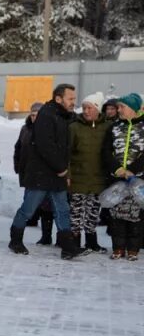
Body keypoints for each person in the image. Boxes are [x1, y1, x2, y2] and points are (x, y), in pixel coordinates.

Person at [8, 84, 88, 259]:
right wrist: (61, 168)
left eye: (74, 98)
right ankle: (15, 240)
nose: (73, 102)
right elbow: (45, 145)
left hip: (57, 174)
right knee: (28, 209)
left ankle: (68, 247)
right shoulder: (46, 115)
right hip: (40, 174)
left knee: (62, 210)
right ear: (58, 99)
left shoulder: (66, 116)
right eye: (70, 98)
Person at [68, 92, 112, 252]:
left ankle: (91, 242)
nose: (85, 111)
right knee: (76, 213)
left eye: (89, 108)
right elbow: (67, 153)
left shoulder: (107, 127)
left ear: (98, 109)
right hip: (78, 178)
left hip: (98, 179)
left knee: (93, 212)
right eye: (84, 107)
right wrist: (68, 175)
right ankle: (74, 242)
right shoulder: (74, 127)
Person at [103, 93, 144, 260]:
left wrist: (132, 170)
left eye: (122, 107)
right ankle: (118, 248)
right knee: (117, 214)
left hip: (139, 179)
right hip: (117, 177)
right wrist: (119, 169)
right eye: (118, 107)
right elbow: (105, 151)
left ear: (133, 109)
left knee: (136, 214)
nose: (118, 110)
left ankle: (133, 249)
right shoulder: (114, 127)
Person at [13, 102, 54, 244]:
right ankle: (17, 239)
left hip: (44, 174)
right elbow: (18, 148)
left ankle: (46, 236)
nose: (33, 117)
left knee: (47, 206)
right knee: (27, 205)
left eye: (36, 114)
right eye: (32, 114)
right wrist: (17, 165)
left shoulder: (49, 130)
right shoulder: (25, 129)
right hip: (28, 173)